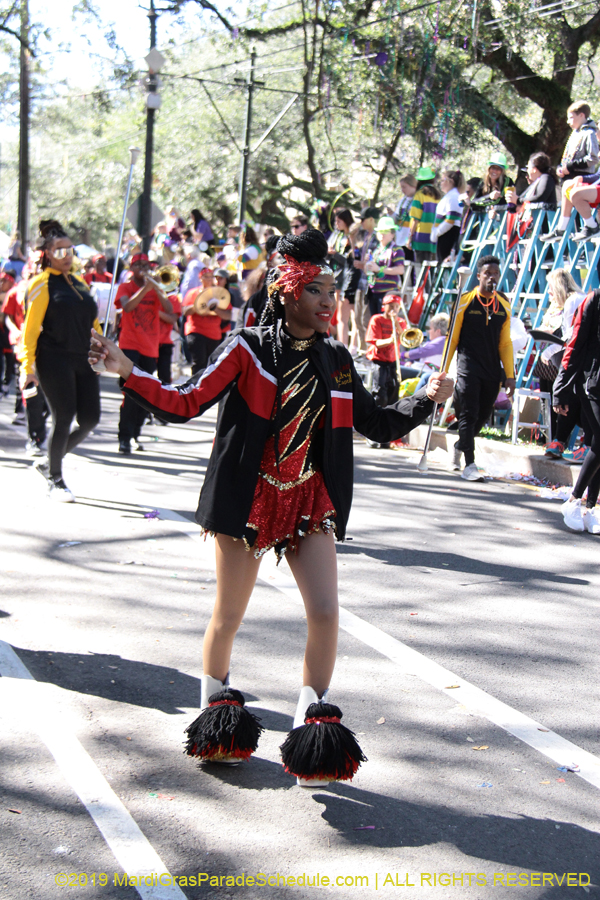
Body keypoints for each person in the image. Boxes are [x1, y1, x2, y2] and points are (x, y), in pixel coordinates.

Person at [89, 229, 454, 782]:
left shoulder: (334, 358)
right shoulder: (246, 349)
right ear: (286, 291)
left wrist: (427, 398)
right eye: (317, 291)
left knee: (327, 613)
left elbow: (376, 424)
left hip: (309, 498)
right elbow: (185, 403)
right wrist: (127, 370)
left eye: (333, 290)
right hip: (248, 498)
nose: (330, 302)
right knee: (229, 615)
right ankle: (218, 715)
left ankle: (313, 730)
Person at [20, 220, 102, 501]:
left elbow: (93, 323)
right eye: (60, 251)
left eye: (70, 250)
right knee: (64, 416)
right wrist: (27, 367)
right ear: (47, 254)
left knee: (90, 419)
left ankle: (46, 462)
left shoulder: (80, 284)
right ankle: (55, 478)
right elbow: (29, 331)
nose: (67, 256)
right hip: (53, 358)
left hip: (83, 358)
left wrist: (102, 349)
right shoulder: (41, 284)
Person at [445, 255, 515, 481]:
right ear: (478, 276)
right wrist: (443, 370)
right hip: (467, 367)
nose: (492, 277)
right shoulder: (465, 301)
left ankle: (459, 445)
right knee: (468, 413)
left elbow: (505, 343)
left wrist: (510, 376)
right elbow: (452, 339)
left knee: (482, 417)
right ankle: (470, 464)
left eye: (496, 274)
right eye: (488, 274)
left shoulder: (503, 304)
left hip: (492, 370)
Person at [114, 253, 174, 453]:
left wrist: (157, 290)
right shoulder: (126, 287)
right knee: (130, 393)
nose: (143, 267)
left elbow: (169, 311)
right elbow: (127, 307)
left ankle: (135, 435)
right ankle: (124, 437)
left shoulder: (156, 288)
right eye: (138, 264)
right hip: (130, 346)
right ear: (131, 268)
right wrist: (145, 289)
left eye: (146, 264)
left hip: (150, 347)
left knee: (145, 395)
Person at [554, 289, 600, 533]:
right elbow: (574, 342)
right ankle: (573, 500)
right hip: (592, 381)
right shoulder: (593, 299)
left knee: (597, 445)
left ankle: (590, 510)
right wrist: (560, 388)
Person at [537, 269, 587, 459]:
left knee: (576, 398)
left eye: (550, 289)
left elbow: (570, 336)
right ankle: (560, 440)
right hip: (578, 358)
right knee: (572, 398)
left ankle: (582, 442)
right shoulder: (574, 300)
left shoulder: (572, 301)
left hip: (580, 359)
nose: (549, 294)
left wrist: (548, 352)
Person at [541, 101, 599, 242]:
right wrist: (563, 168)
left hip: (585, 177)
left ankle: (592, 226)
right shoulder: (576, 133)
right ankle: (561, 228)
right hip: (582, 179)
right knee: (568, 186)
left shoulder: (589, 133)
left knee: (575, 194)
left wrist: (572, 168)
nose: (568, 122)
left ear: (581, 115)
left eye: (571, 117)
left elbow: (592, 159)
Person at [365, 293, 406, 432]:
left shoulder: (400, 322)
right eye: (391, 306)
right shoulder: (377, 319)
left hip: (393, 360)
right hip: (379, 360)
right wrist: (390, 340)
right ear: (384, 307)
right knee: (380, 394)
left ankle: (388, 428)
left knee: (393, 392)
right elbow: (374, 342)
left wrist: (396, 325)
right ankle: (374, 425)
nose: (394, 309)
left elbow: (404, 338)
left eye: (396, 307)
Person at [182, 266, 231, 374]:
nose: (209, 279)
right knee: (199, 363)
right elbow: (185, 311)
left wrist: (215, 308)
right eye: (206, 277)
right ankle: (195, 388)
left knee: (211, 365)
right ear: (200, 278)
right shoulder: (192, 293)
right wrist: (200, 304)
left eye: (211, 277)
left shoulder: (219, 293)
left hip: (214, 334)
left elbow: (228, 315)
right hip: (196, 331)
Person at [365, 216, 405, 317]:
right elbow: (368, 271)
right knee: (375, 320)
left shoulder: (397, 250)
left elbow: (400, 270)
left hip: (388, 293)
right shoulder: (375, 250)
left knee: (387, 322)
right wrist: (367, 265)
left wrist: (379, 269)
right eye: (380, 231)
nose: (382, 234)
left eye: (386, 231)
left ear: (392, 234)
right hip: (373, 291)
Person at [327, 208, 355, 345]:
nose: (336, 224)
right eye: (335, 221)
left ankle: (349, 345)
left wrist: (335, 254)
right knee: (337, 313)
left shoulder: (351, 236)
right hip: (334, 275)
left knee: (349, 315)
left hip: (347, 278)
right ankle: (339, 342)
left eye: (339, 221)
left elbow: (350, 260)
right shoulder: (336, 235)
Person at [409, 167, 441, 264]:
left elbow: (415, 218)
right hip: (434, 237)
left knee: (420, 268)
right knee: (431, 268)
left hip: (420, 238)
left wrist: (410, 236)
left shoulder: (419, 195)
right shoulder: (438, 195)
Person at [432, 170, 465, 262]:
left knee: (445, 263)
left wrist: (437, 232)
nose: (441, 183)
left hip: (449, 234)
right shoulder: (449, 196)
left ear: (450, 181)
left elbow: (451, 220)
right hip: (443, 235)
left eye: (443, 180)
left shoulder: (453, 196)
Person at [394, 174, 418, 250]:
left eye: (404, 187)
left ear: (413, 186)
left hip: (410, 238)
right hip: (399, 237)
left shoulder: (417, 200)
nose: (402, 190)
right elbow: (397, 217)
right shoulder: (402, 200)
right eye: (401, 187)